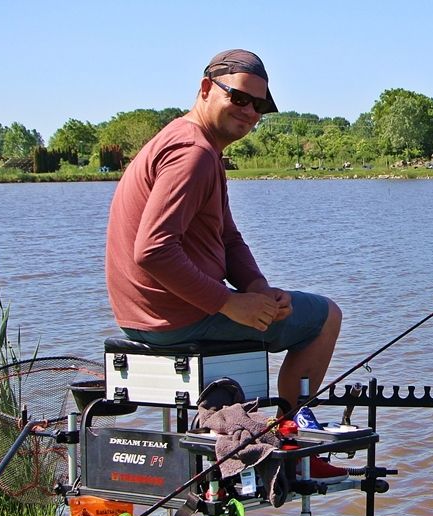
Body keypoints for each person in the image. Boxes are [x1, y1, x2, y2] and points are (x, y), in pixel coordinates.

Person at [105, 49, 345, 480]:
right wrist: (228, 304)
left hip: (151, 315)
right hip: (175, 317)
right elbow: (153, 250)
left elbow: (227, 238)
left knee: (290, 305)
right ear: (205, 89)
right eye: (239, 98)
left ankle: (286, 435)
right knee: (325, 316)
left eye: (260, 105)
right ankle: (293, 445)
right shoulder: (192, 154)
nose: (250, 112)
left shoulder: (196, 146)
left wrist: (257, 289)